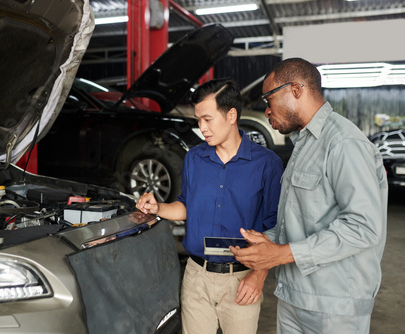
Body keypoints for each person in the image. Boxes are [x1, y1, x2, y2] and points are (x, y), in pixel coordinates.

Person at [230, 58, 388, 334]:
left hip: (335, 304)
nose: (266, 110)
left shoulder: (343, 144)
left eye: (269, 98)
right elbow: (304, 218)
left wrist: (280, 254)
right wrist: (267, 242)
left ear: (295, 89)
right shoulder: (304, 145)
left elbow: (363, 227)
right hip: (295, 295)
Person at [136, 78, 284, 334]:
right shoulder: (194, 158)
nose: (201, 128)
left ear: (231, 115)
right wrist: (158, 208)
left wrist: (258, 276)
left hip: (242, 279)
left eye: (207, 119)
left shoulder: (266, 164)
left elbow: (275, 228)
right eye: (198, 120)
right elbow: (186, 206)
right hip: (196, 278)